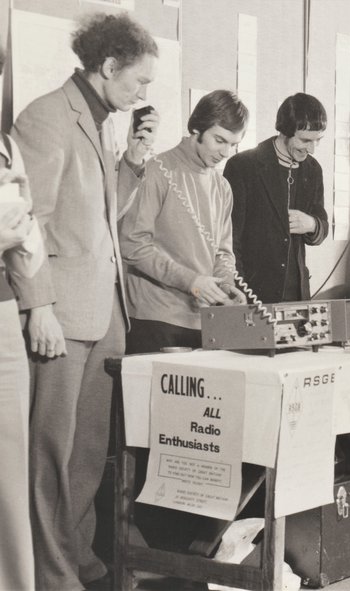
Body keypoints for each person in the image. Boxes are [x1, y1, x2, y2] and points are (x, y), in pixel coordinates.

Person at [11, 12, 159, 590]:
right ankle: (50, 575)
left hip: (104, 311)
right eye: (140, 81)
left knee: (87, 452)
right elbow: (27, 226)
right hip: (62, 315)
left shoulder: (103, 121)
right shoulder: (46, 117)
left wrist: (134, 164)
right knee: (51, 452)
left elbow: (102, 214)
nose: (145, 92)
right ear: (108, 66)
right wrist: (38, 305)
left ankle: (79, 563)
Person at [121, 90, 248, 354]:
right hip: (155, 319)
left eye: (233, 144)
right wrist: (191, 281)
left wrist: (226, 284)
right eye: (219, 140)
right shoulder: (155, 170)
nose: (226, 152)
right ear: (197, 128)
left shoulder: (222, 187)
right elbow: (132, 246)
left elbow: (222, 252)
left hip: (205, 322)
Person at [0, 41, 43, 588]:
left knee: (11, 465)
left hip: (4, 309)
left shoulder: (6, 145)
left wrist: (21, 221)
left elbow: (28, 242)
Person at [223, 93, 329, 304]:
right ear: (284, 131)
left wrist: (311, 224)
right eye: (305, 140)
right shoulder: (243, 166)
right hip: (251, 291)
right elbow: (229, 239)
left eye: (318, 140)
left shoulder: (313, 169)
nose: (312, 149)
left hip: (296, 295)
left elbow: (322, 226)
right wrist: (237, 291)